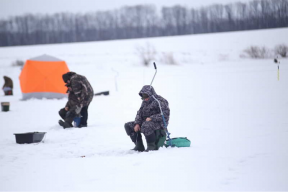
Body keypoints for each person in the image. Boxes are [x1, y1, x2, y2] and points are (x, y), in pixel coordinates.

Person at [124, 85, 170, 152]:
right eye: (142, 96)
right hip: (146, 122)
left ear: (151, 94)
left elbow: (165, 115)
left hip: (159, 124)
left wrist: (152, 118)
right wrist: (137, 123)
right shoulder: (144, 102)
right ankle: (139, 146)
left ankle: (151, 146)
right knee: (128, 125)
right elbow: (139, 113)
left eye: (146, 96)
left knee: (146, 125)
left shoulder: (160, 101)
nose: (144, 98)